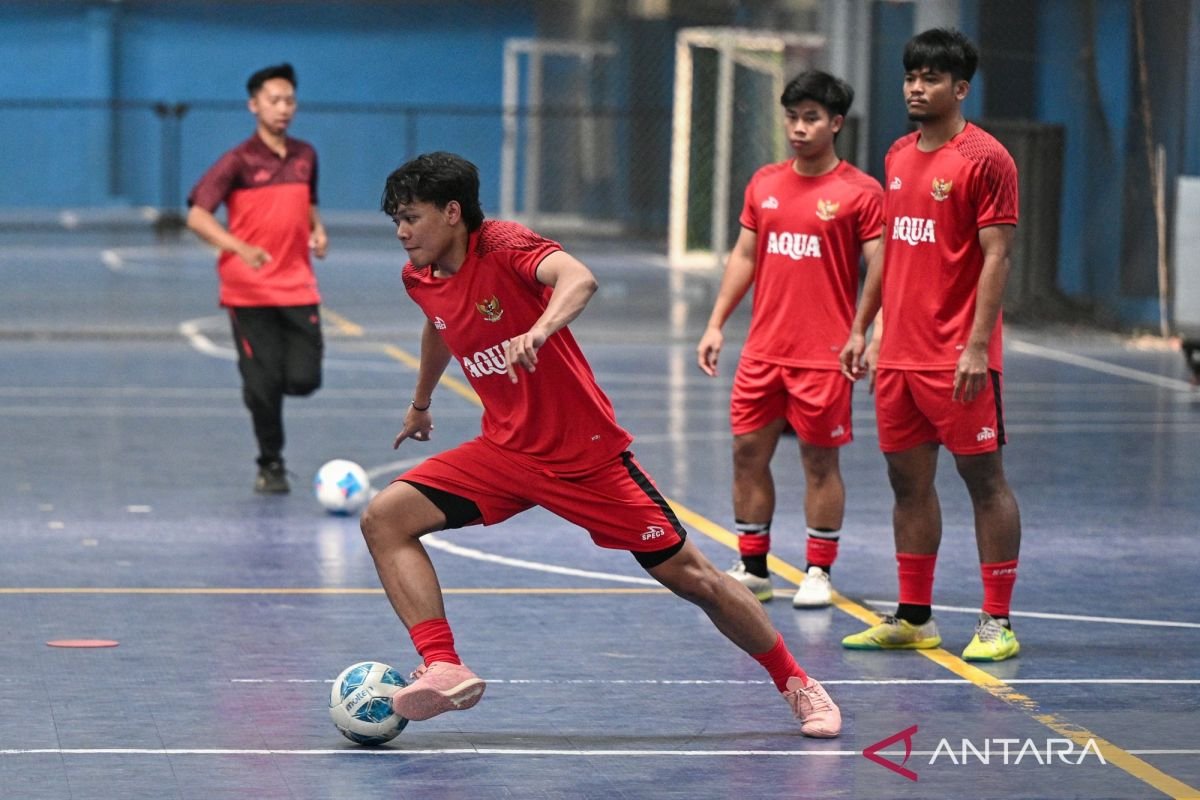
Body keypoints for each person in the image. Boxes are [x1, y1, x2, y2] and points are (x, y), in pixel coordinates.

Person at [359, 151, 841, 737]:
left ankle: (798, 683)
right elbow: (440, 324)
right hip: (505, 453)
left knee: (698, 580)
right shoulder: (421, 277)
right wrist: (422, 402)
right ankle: (442, 663)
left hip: (585, 458)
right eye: (396, 222)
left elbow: (578, 278)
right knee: (385, 518)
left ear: (453, 213)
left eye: (411, 217)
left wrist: (539, 329)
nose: (403, 232)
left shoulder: (505, 245)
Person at [838, 28, 1023, 662]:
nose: (917, 87)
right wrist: (863, 327)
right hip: (899, 357)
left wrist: (977, 347)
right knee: (905, 482)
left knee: (984, 480)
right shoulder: (895, 155)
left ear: (960, 88)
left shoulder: (987, 159)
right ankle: (915, 615)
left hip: (958, 357)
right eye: (911, 76)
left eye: (932, 78)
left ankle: (997, 620)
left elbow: (997, 258)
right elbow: (889, 254)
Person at [696, 70, 882, 608]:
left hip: (824, 356)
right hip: (762, 351)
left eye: (812, 118)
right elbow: (746, 256)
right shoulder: (765, 183)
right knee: (746, 453)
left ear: (836, 123)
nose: (799, 128)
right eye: (792, 117)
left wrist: (866, 333)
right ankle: (754, 565)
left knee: (820, 463)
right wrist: (716, 322)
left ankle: (818, 571)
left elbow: (882, 269)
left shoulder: (859, 193)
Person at [186, 62, 329, 494]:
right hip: (247, 291)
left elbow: (307, 202)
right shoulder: (237, 161)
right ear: (254, 105)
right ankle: (271, 463)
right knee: (263, 386)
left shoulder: (306, 156)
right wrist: (238, 247)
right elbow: (196, 215)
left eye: (289, 100)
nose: (283, 108)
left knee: (304, 380)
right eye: (274, 100)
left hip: (298, 285)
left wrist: (317, 229)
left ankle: (262, 382)